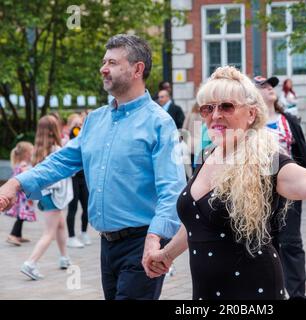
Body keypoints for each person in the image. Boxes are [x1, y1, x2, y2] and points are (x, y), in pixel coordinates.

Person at [143, 66, 306, 300]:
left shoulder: (264, 158)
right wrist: (167, 255)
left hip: (254, 291)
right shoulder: (207, 155)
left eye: (226, 106)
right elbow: (197, 222)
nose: (215, 114)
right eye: (208, 108)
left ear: (251, 114)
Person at [0, 34, 186, 299]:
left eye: (112, 62)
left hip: (142, 244)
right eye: (103, 61)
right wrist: (15, 183)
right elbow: (61, 160)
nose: (103, 68)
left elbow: (172, 188)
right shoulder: (95, 120)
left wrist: (156, 237)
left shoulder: (160, 122)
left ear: (137, 69)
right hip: (106, 246)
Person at [254, 75, 306, 300]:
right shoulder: (251, 124)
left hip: (289, 190)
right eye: (262, 86)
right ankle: (272, 292)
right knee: (265, 243)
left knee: (291, 242)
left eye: (271, 85)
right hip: (260, 192)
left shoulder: (288, 120)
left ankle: (298, 296)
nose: (270, 88)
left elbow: (301, 151)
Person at [20, 115, 73, 280]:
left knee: (61, 225)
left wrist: (32, 196)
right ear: (54, 129)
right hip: (53, 196)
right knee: (49, 232)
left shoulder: (37, 150)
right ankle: (30, 263)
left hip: (43, 195)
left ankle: (64, 258)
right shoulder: (57, 150)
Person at [65, 113, 90, 248]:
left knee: (86, 207)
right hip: (73, 178)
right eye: (76, 125)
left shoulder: (85, 136)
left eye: (81, 124)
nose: (79, 127)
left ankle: (84, 232)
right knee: (72, 208)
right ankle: (71, 236)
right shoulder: (68, 140)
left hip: (84, 177)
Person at [5, 141, 36, 246]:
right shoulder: (24, 165)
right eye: (32, 151)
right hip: (23, 197)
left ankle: (18, 235)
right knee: (21, 216)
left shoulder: (20, 164)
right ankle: (12, 235)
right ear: (27, 153)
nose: (33, 153)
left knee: (21, 216)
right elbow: (27, 180)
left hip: (21, 196)